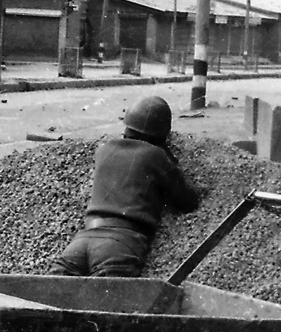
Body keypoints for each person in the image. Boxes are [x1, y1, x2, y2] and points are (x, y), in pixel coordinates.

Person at [48, 95, 200, 277]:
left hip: (80, 243)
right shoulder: (156, 156)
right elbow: (188, 200)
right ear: (162, 134)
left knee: (51, 296)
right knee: (112, 303)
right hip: (121, 244)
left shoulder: (104, 149)